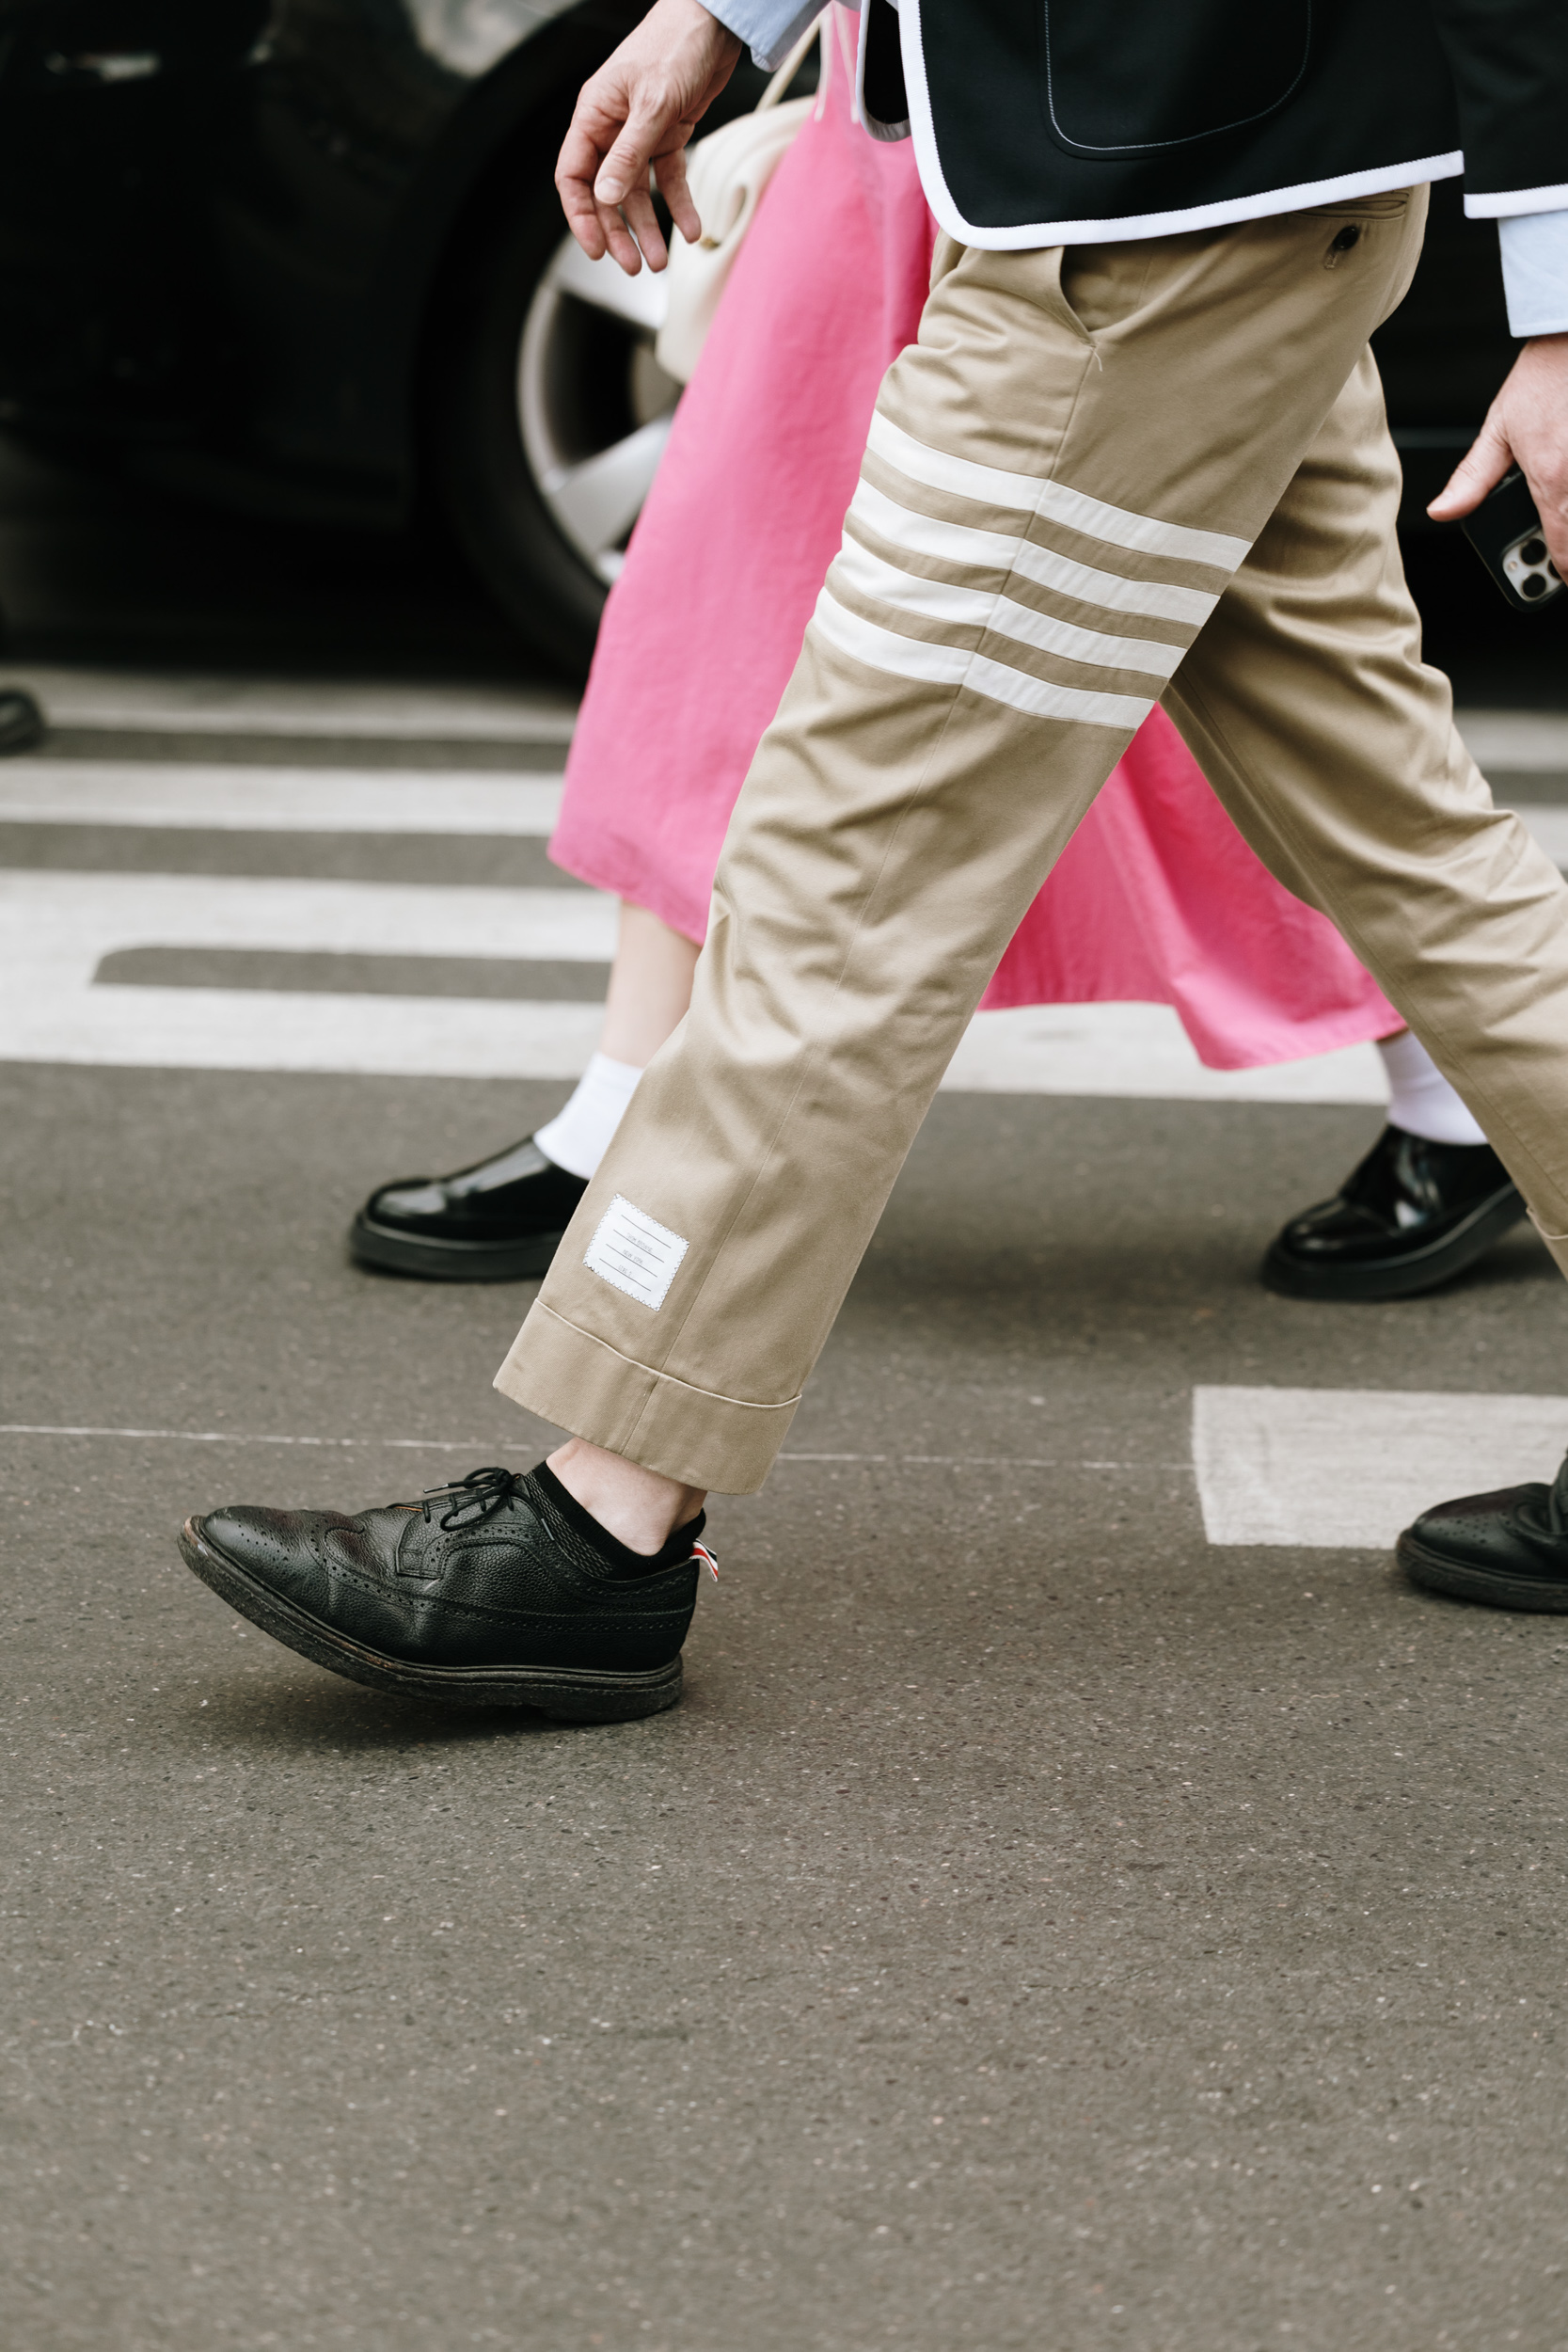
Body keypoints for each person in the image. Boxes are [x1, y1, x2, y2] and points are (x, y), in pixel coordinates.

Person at [180, 0, 1568, 1709]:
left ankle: (605, 1518)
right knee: (1408, 840)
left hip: (1157, 216)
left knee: (850, 859)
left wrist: (1562, 298)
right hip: (1181, 184)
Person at [349, 13, 1520, 1311]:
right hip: (948, 106)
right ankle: (630, 1232)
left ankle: (628, 1428)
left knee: (928, 778)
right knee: (744, 614)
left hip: (1129, 160)